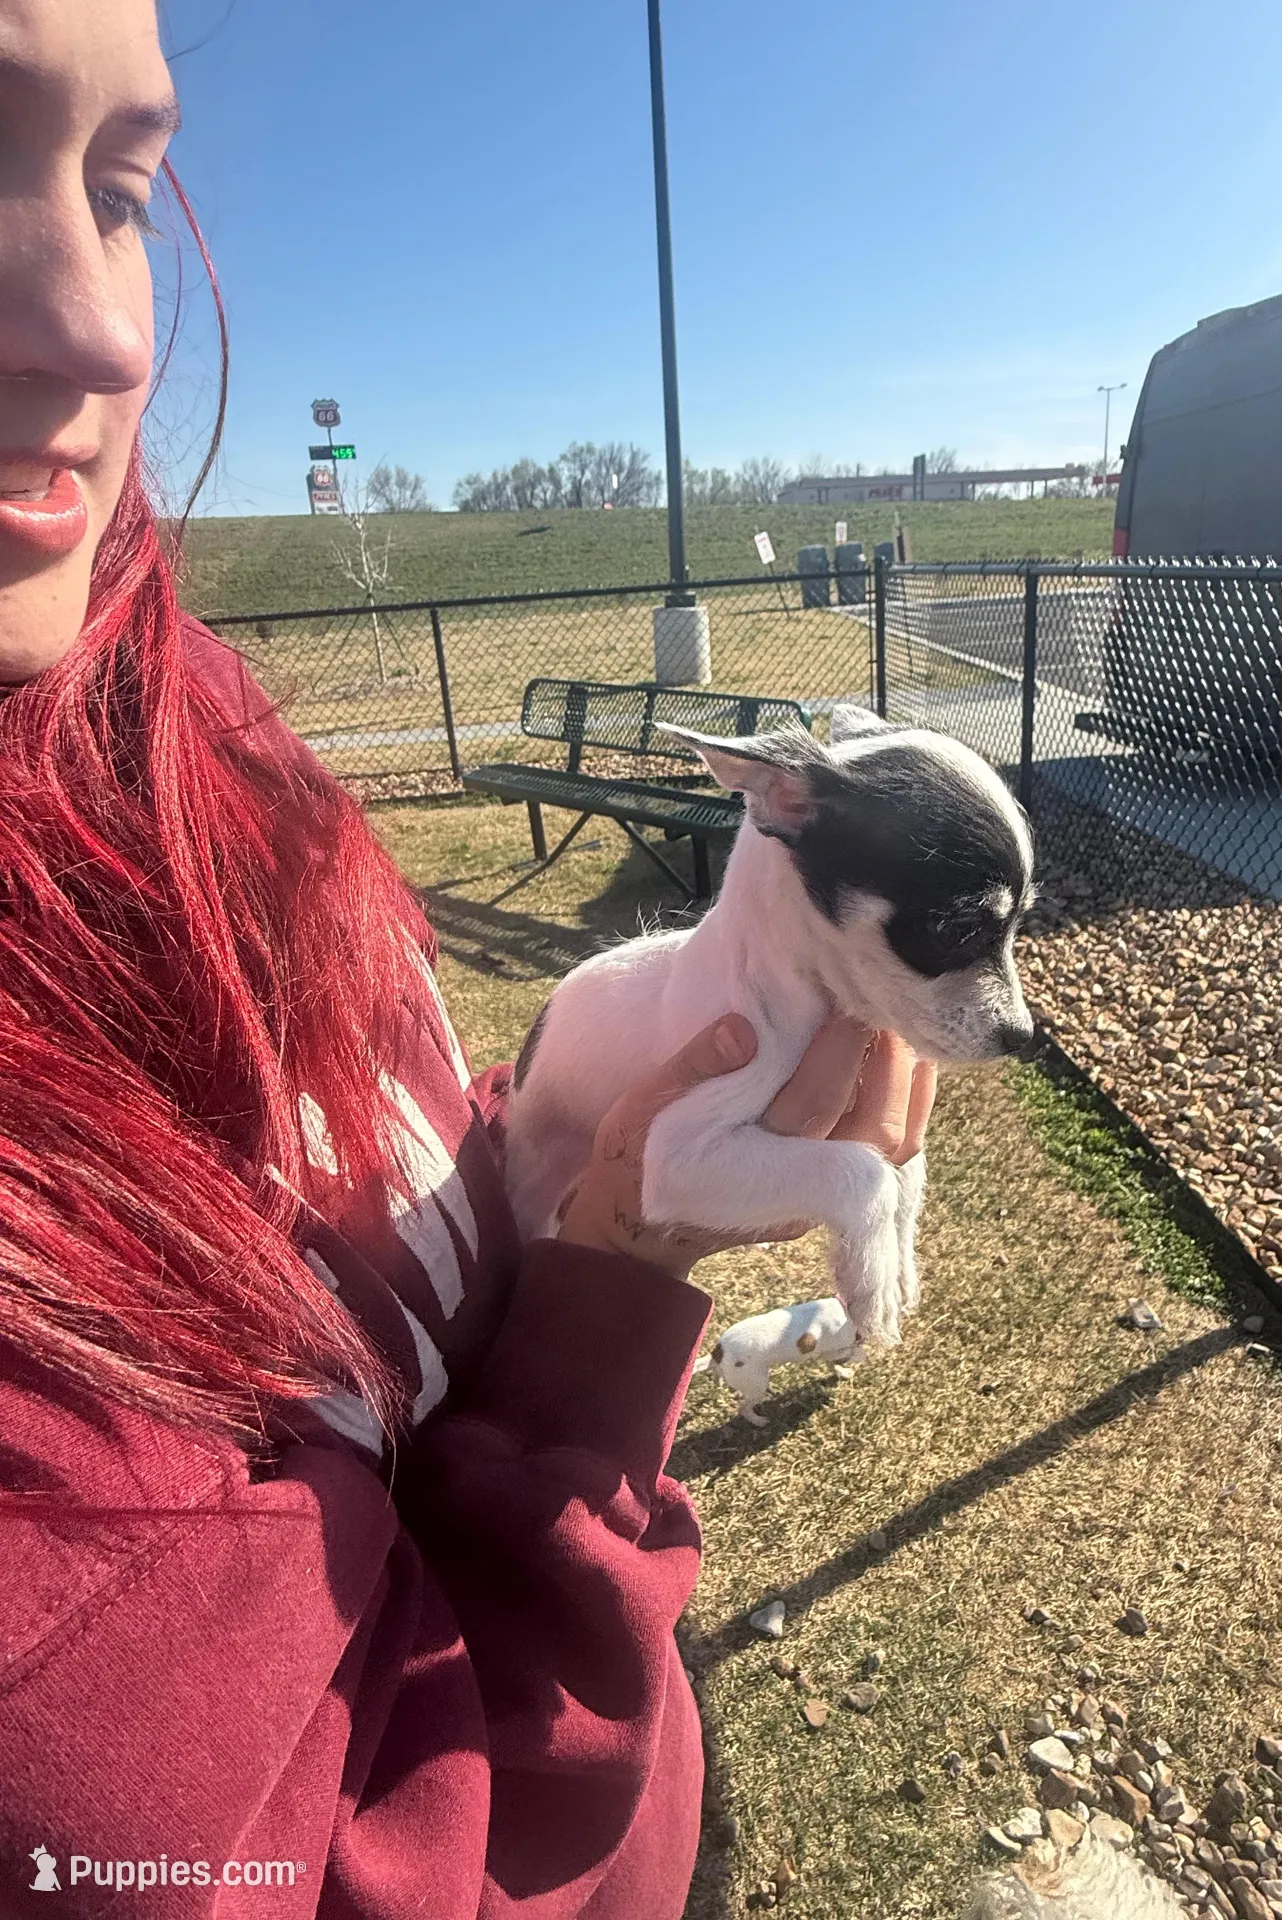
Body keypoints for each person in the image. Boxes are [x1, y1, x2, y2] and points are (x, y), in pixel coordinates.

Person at [0, 6, 936, 1914]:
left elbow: (350, 1180)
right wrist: (614, 1294)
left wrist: (607, 1120)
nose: (102, 330)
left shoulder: (150, 708)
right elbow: (409, 1856)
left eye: (116, 187)